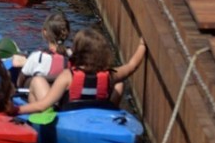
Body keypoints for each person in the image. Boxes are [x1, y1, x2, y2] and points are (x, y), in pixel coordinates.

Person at [17, 27, 146, 115]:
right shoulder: (110, 75)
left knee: (37, 81)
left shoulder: (68, 76)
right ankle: (111, 113)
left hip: (68, 118)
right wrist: (142, 45)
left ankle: (37, 128)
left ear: (77, 51)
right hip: (100, 114)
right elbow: (132, 66)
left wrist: (16, 109)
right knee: (119, 84)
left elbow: (42, 105)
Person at [12, 8, 73, 88]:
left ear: (45, 33)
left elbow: (20, 82)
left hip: (39, 97)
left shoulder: (37, 57)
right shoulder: (73, 56)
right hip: (63, 97)